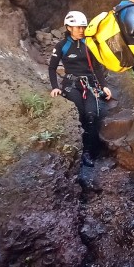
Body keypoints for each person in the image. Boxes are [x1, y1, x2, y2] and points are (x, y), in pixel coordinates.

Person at [49, 11, 112, 167]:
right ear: (69, 27)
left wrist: (104, 85)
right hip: (71, 85)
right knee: (80, 113)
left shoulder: (89, 44)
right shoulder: (62, 46)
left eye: (83, 27)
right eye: (78, 27)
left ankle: (88, 153)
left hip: (89, 84)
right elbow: (52, 68)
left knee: (91, 115)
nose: (81, 30)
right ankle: (80, 149)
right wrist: (55, 87)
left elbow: (97, 67)